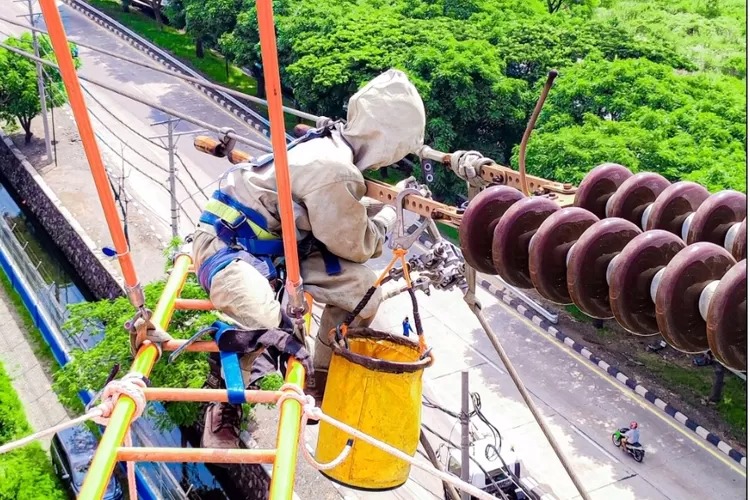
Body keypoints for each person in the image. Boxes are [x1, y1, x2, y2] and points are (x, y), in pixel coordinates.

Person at [190, 68, 427, 449]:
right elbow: (357, 245)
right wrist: (387, 217)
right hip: (227, 249)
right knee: (261, 319)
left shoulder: (333, 145)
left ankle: (319, 376)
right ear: (389, 142)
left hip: (281, 253)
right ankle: (223, 401)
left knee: (364, 291)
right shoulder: (335, 170)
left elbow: (334, 223)